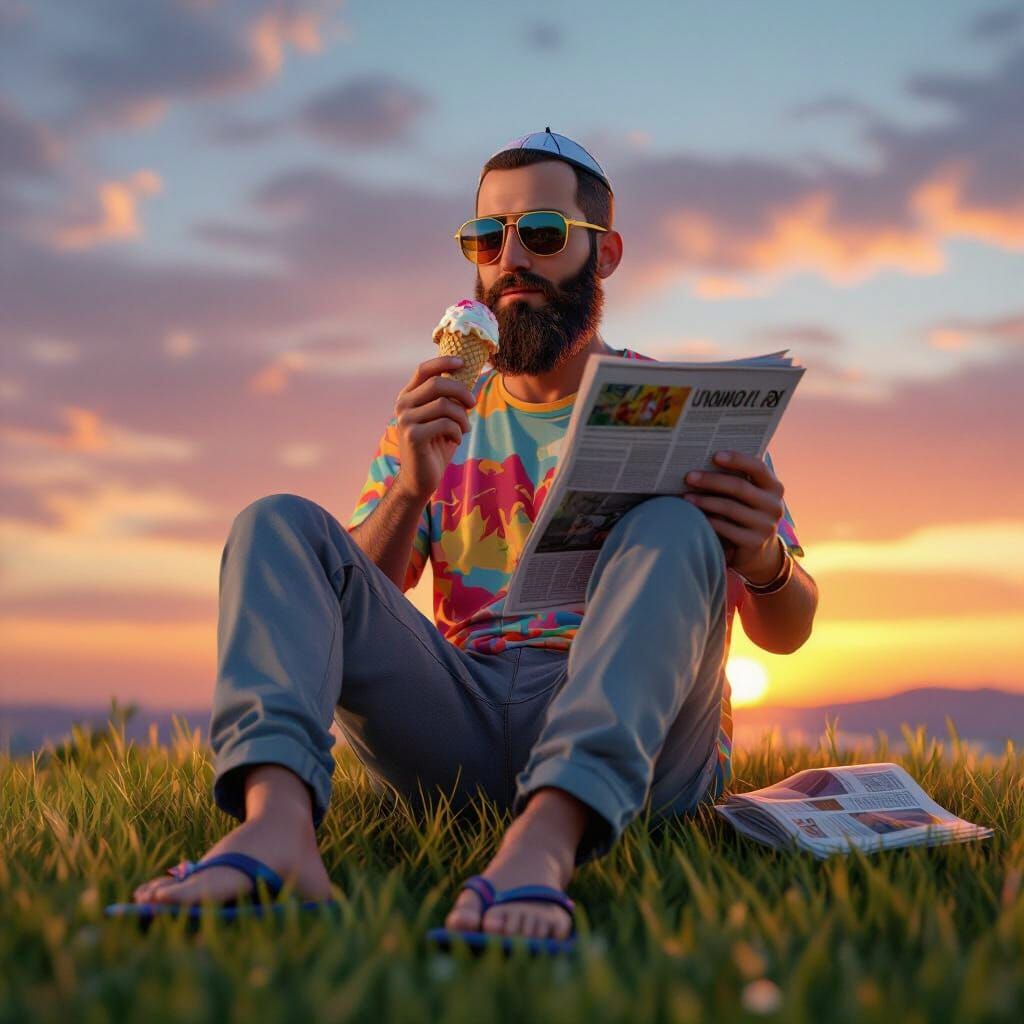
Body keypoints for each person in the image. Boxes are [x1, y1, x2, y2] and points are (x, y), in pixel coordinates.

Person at [130, 129, 818, 944]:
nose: (510, 260)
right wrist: (412, 487)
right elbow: (351, 605)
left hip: (639, 738)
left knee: (670, 524)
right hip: (463, 713)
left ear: (605, 253)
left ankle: (547, 839)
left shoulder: (692, 408)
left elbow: (786, 632)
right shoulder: (440, 411)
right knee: (276, 522)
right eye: (488, 239)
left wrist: (764, 560)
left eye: (543, 235)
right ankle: (275, 827)